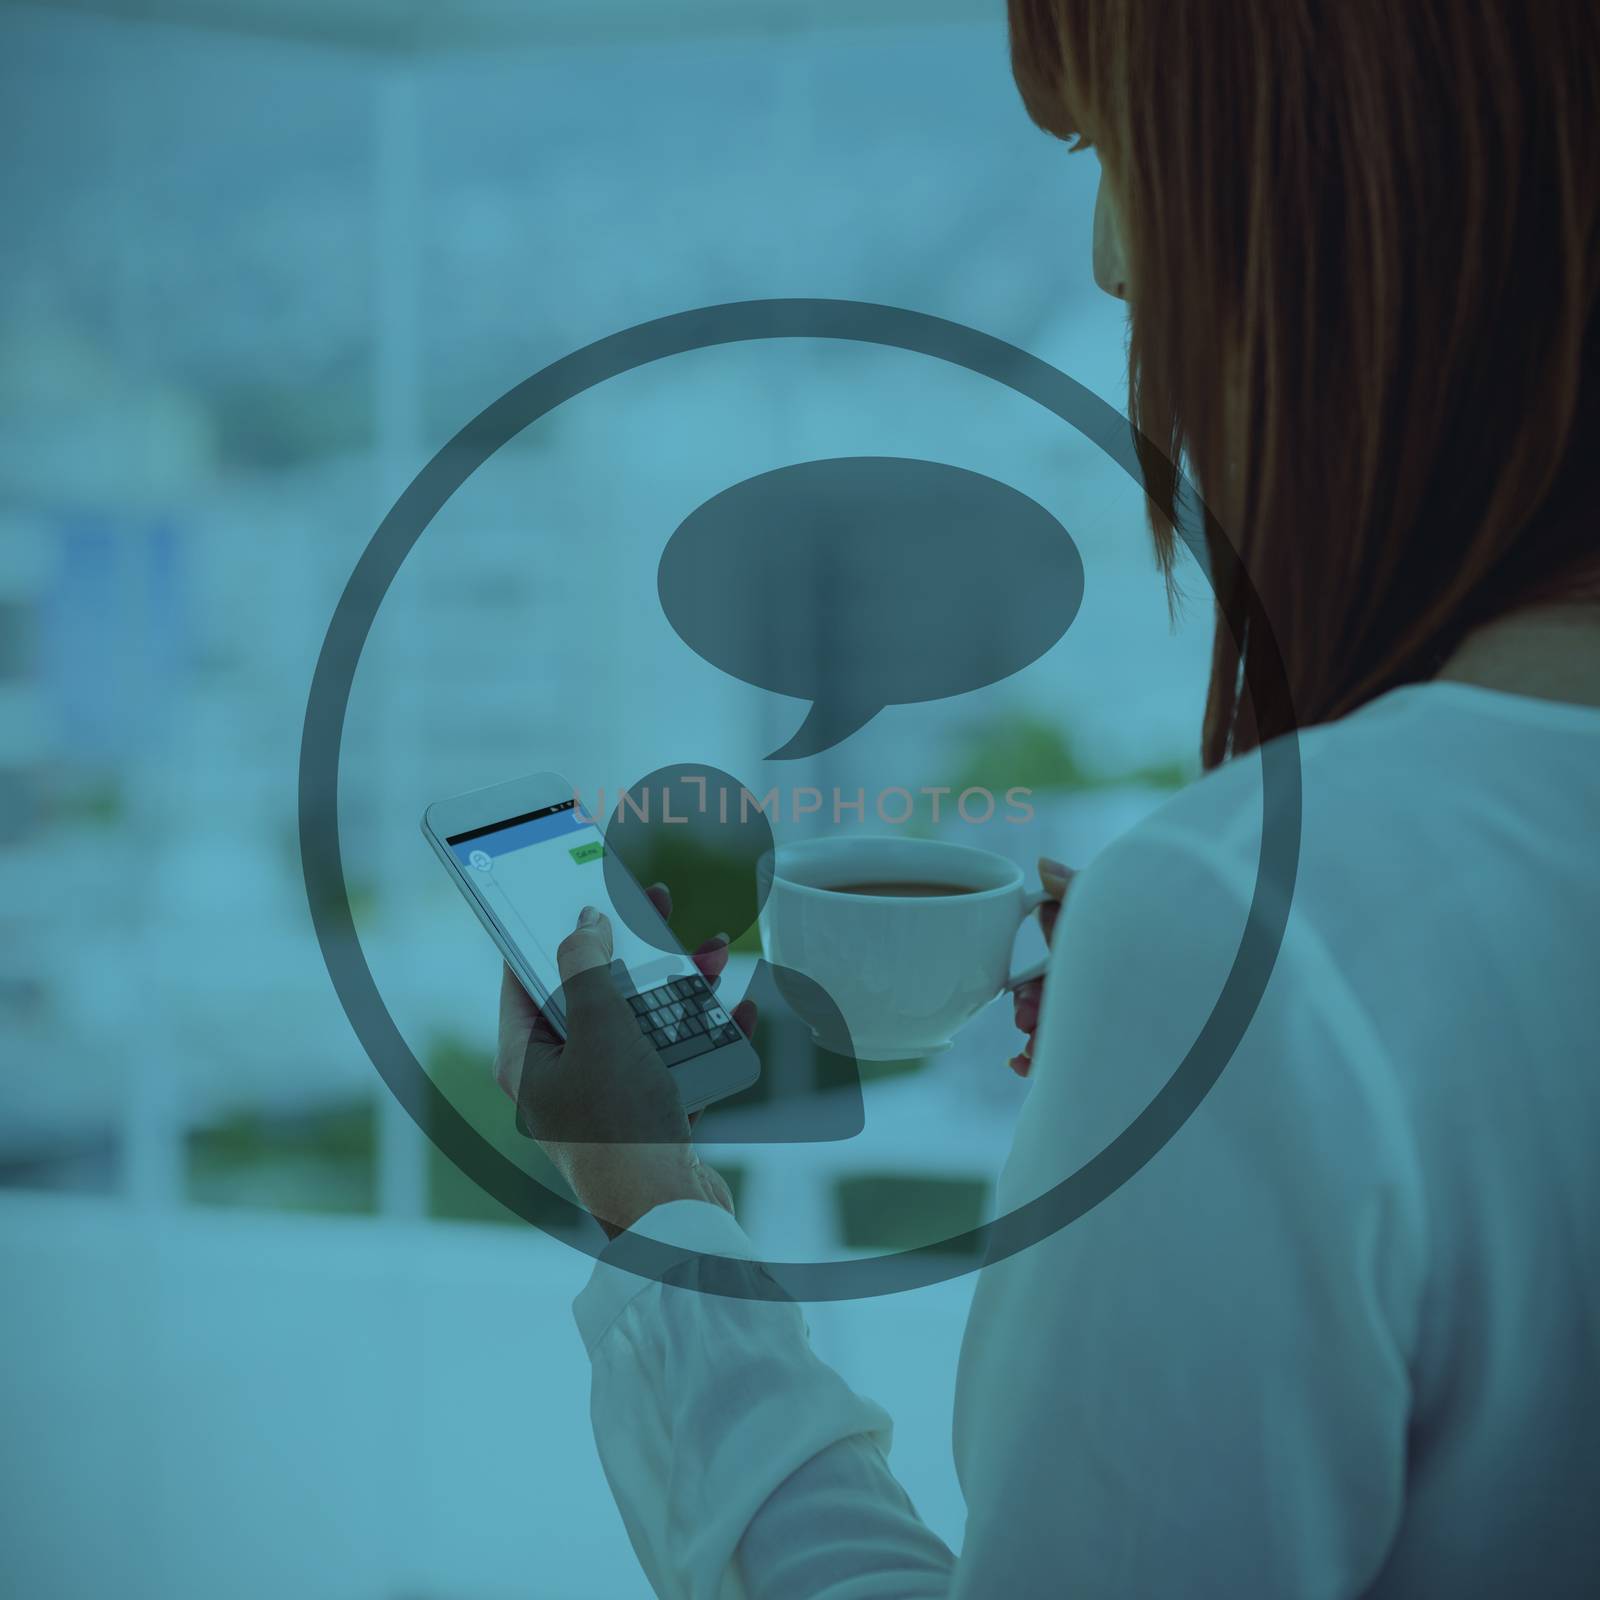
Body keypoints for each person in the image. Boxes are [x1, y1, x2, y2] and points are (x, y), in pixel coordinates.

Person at [496, 3, 1600, 1593]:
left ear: (1344, 182)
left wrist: (661, 1216)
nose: (1112, 260)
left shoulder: (1252, 927)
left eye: (1118, 151)